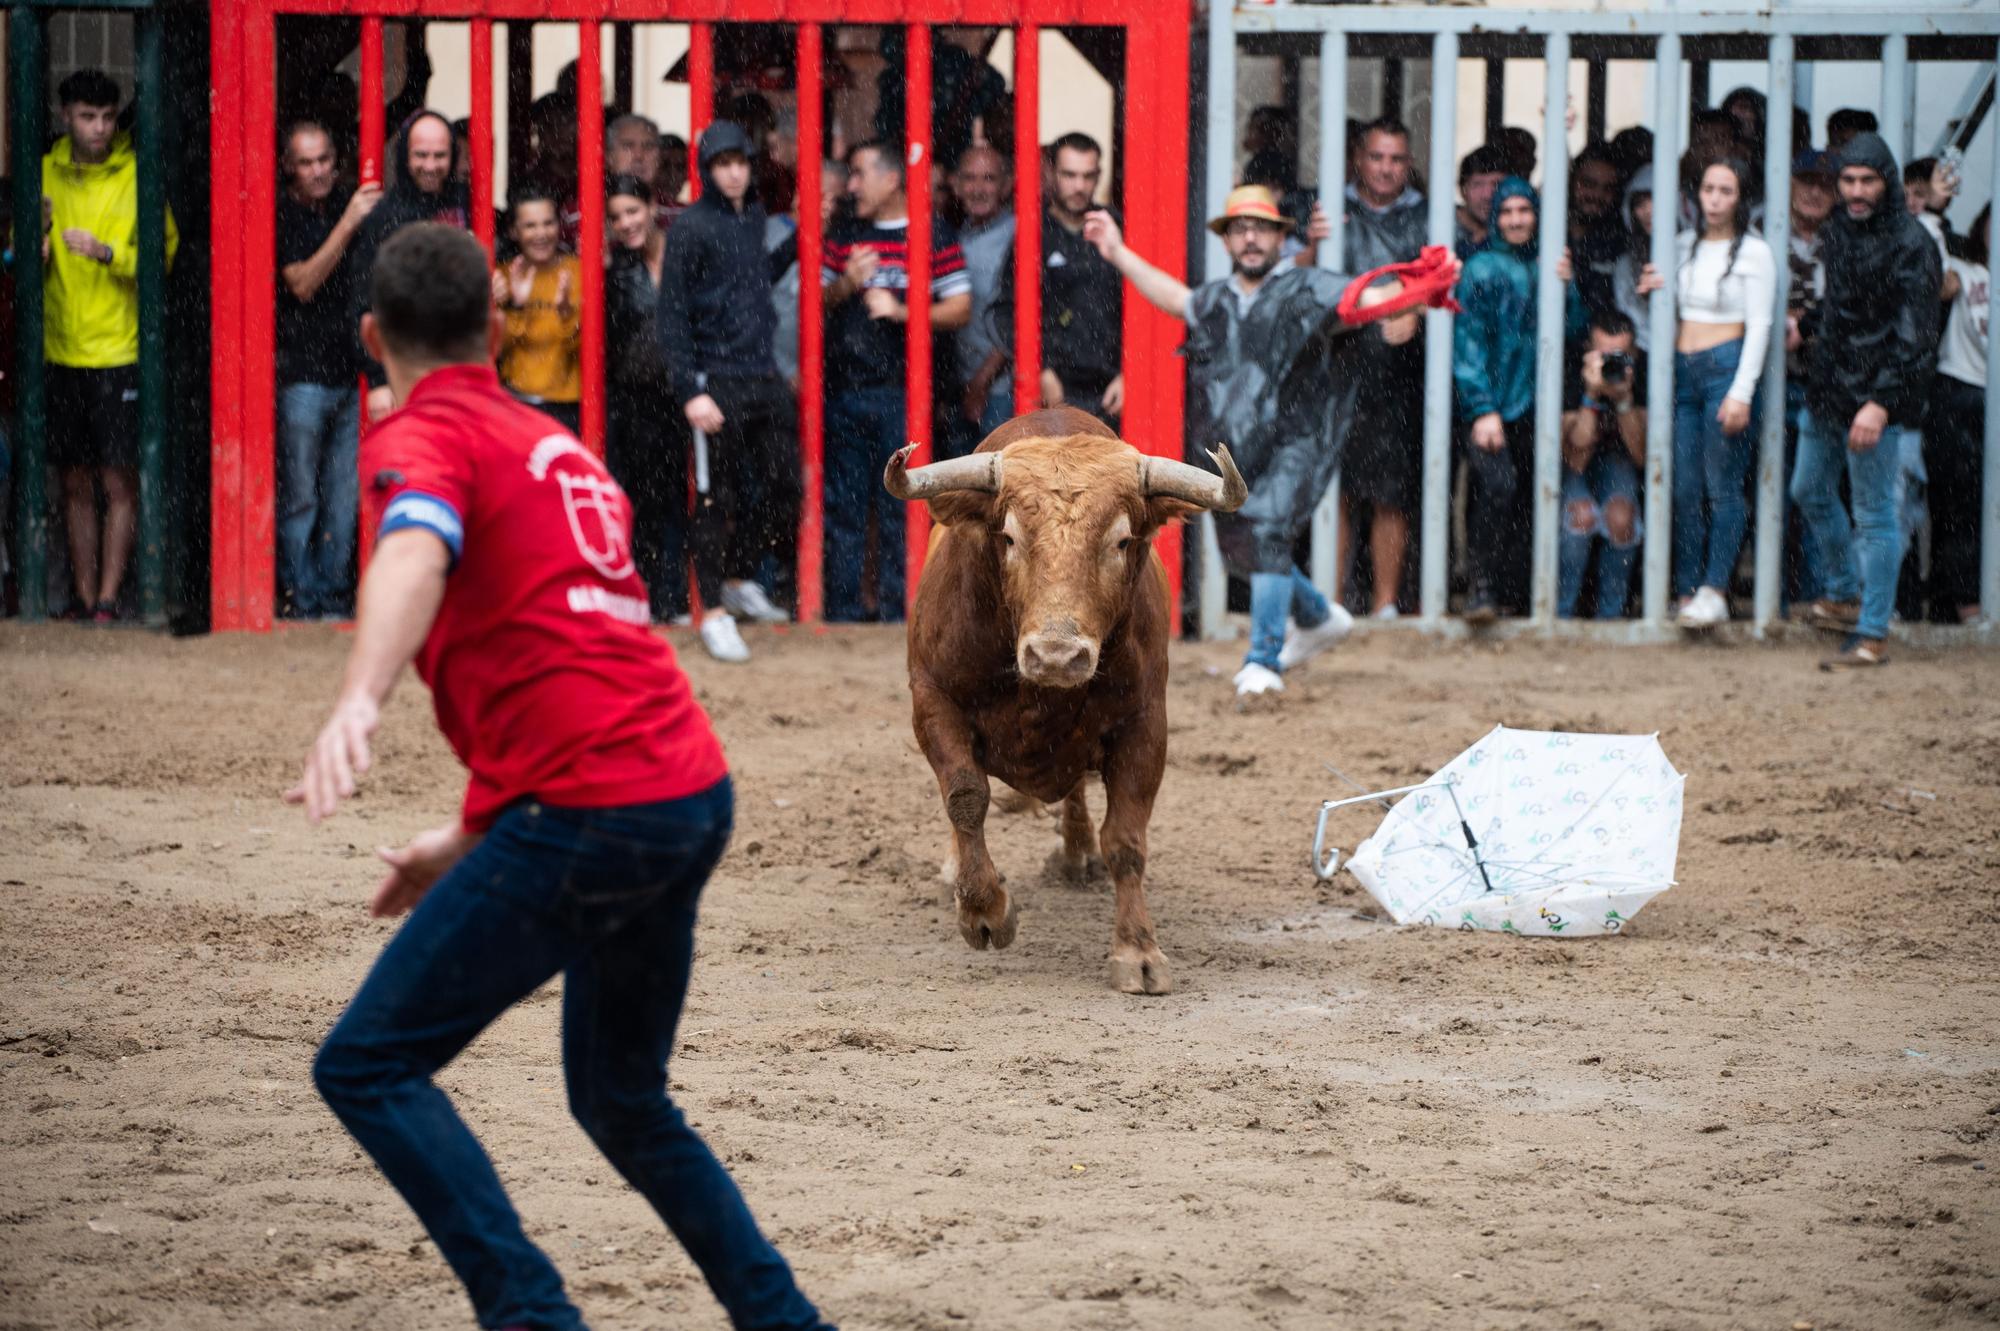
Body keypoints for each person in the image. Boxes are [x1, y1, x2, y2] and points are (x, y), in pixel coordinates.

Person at [291, 223, 833, 1331]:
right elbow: (572, 659)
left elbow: (413, 546)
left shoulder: (422, 437)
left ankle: (532, 1315)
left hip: (597, 810)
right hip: (683, 790)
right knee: (622, 1098)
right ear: (494, 330)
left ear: (369, 340)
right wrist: (472, 829)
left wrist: (360, 695)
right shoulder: (557, 446)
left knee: (367, 1063)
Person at [1083, 186, 1456, 698]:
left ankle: (1263, 659)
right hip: (1232, 446)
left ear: (1283, 237)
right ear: (1229, 240)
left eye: (1262, 228)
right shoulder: (1217, 298)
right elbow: (1177, 299)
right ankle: (1319, 617)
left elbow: (1362, 300)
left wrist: (1416, 289)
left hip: (1297, 441)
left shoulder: (1308, 287)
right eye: (1240, 229)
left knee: (1269, 530)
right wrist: (1116, 251)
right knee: (1245, 545)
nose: (1251, 238)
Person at [1790, 132, 1942, 669]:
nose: (1855, 191)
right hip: (1829, 389)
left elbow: (1916, 337)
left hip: (1874, 399)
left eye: (1866, 180)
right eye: (1848, 180)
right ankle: (1844, 591)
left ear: (1888, 183)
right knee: (1807, 488)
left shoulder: (1914, 243)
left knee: (1876, 515)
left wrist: (1880, 403)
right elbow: (1848, 305)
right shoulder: (1841, 229)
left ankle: (1873, 631)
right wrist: (1806, 325)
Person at [657, 120, 799, 658]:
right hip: (715, 381)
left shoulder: (752, 216)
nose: (734, 172)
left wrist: (803, 240)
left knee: (785, 484)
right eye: (723, 164)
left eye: (740, 161)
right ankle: (712, 609)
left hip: (761, 377)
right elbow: (671, 316)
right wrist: (691, 389)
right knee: (715, 498)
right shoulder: (691, 227)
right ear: (708, 170)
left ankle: (738, 580)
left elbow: (752, 279)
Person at [42, 69, 179, 623]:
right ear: (64, 117)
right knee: (73, 480)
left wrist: (107, 255)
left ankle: (108, 598)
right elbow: (20, 261)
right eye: (86, 117)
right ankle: (82, 594)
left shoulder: (138, 175)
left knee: (119, 479)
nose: (98, 129)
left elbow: (163, 258)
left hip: (120, 351)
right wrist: (34, 244)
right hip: (61, 349)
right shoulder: (44, 174)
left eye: (105, 117)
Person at [820, 139, 971, 622]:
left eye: (860, 174)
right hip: (844, 389)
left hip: (902, 394)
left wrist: (903, 311)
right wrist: (847, 282)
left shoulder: (932, 233)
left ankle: (896, 609)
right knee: (843, 504)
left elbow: (960, 307)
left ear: (891, 179)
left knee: (899, 508)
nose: (852, 185)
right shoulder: (845, 232)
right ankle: (843, 609)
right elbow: (814, 302)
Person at [1636, 157, 1775, 629]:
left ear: (1741, 199)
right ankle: (1687, 590)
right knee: (1684, 487)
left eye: (1726, 191)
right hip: (1684, 368)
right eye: (1709, 189)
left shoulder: (1755, 252)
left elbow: (1760, 325)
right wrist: (1654, 286)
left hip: (1725, 366)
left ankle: (1715, 589)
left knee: (1724, 487)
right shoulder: (1681, 245)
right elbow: (1668, 300)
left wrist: (1742, 390)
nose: (1715, 199)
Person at [1453, 175, 1585, 622]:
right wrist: (1481, 408)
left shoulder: (1549, 264)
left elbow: (1573, 332)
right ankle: (1482, 588)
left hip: (1536, 407)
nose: (1515, 220)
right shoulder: (1481, 268)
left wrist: (1567, 287)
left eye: (1524, 211)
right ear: (1495, 217)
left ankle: (1517, 592)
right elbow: (1467, 344)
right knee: (1496, 488)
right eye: (1507, 212)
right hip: (1493, 405)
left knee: (1528, 496)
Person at [276, 121, 379, 621]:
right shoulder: (285, 213)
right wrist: (349, 223)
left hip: (352, 372)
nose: (317, 171)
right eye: (306, 162)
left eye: (324, 161)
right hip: (302, 376)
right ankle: (302, 595)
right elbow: (302, 283)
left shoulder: (349, 202)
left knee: (342, 496)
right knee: (300, 497)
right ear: (288, 168)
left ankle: (335, 595)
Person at [1339, 117, 1428, 619]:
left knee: (1390, 492)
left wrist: (1414, 308)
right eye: (1377, 157)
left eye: (1396, 159)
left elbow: (1443, 277)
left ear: (1409, 164)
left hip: (1398, 375)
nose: (1386, 168)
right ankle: (1332, 602)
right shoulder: (1333, 213)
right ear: (1359, 158)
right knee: (1339, 490)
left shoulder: (1426, 217)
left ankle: (1385, 603)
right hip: (1340, 368)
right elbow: (1311, 279)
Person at [350, 109, 470, 423]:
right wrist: (377, 379)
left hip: (461, 367)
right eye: (421, 155)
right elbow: (364, 300)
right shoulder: (384, 215)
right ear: (404, 156)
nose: (430, 166)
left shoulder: (466, 202)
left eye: (440, 155)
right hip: (405, 369)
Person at [603, 174, 685, 623]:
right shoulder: (615, 271)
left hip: (682, 397)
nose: (626, 223)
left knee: (679, 499)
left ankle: (673, 597)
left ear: (653, 207)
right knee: (636, 501)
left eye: (632, 211)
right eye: (616, 217)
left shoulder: (682, 253)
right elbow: (607, 342)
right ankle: (645, 595)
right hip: (633, 401)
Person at [1559, 310, 1647, 619]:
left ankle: (1611, 617)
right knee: (1580, 517)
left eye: (1619, 355)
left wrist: (1623, 400)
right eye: (1602, 354)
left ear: (1634, 353)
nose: (1611, 363)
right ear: (1587, 350)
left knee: (1622, 518)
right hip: (1579, 463)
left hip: (1620, 460)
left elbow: (1642, 456)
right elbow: (1576, 456)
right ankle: (1562, 615)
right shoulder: (1571, 370)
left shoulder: (1644, 372)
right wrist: (1591, 396)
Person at [1779, 150, 1839, 609]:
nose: (1815, 192)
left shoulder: (1846, 242)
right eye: (1806, 181)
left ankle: (1822, 596)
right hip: (1775, 383)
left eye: (1825, 183)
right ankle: (1776, 600)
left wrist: (1812, 324)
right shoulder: (1765, 236)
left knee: (1821, 492)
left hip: (1831, 386)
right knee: (1774, 492)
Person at [1928, 204, 1988, 622]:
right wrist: (1933, 212)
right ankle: (1964, 601)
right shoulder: (1967, 272)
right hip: (1959, 392)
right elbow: (1936, 278)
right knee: (1961, 505)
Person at [1039, 133, 1123, 428]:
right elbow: (1009, 310)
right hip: (1052, 391)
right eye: (1069, 175)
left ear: (1099, 174)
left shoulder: (1117, 227)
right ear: (1051, 172)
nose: (1079, 186)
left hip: (1111, 391)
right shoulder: (1035, 233)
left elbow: (1143, 306)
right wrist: (1041, 369)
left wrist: (1130, 375)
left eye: (1088, 176)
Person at [491, 189, 581, 433]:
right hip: (516, 402)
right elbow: (495, 349)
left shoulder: (579, 271)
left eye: (548, 223)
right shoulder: (502, 275)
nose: (541, 234)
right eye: (530, 226)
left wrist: (566, 313)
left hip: (568, 405)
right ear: (514, 231)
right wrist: (516, 305)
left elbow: (587, 350)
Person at [946, 143, 1016, 454]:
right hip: (959, 385)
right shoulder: (956, 235)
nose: (978, 188)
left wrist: (982, 381)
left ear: (1006, 185)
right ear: (956, 184)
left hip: (1000, 390)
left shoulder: (1017, 235)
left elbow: (1020, 316)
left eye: (988, 179)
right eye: (970, 178)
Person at [1569, 144, 1626, 320]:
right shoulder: (1544, 234)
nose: (1597, 195)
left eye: (1608, 189)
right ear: (1571, 182)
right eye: (1588, 184)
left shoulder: (1620, 242)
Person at [1610, 164, 1655, 353]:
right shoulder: (1625, 265)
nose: (1647, 211)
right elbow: (1626, 316)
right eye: (1639, 203)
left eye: (1654, 199)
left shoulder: (1689, 253)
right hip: (1640, 356)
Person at [1454, 144, 1508, 260]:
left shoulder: (1515, 230)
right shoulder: (1435, 226)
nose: (1487, 195)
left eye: (1496, 185)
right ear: (1463, 190)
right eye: (1477, 185)